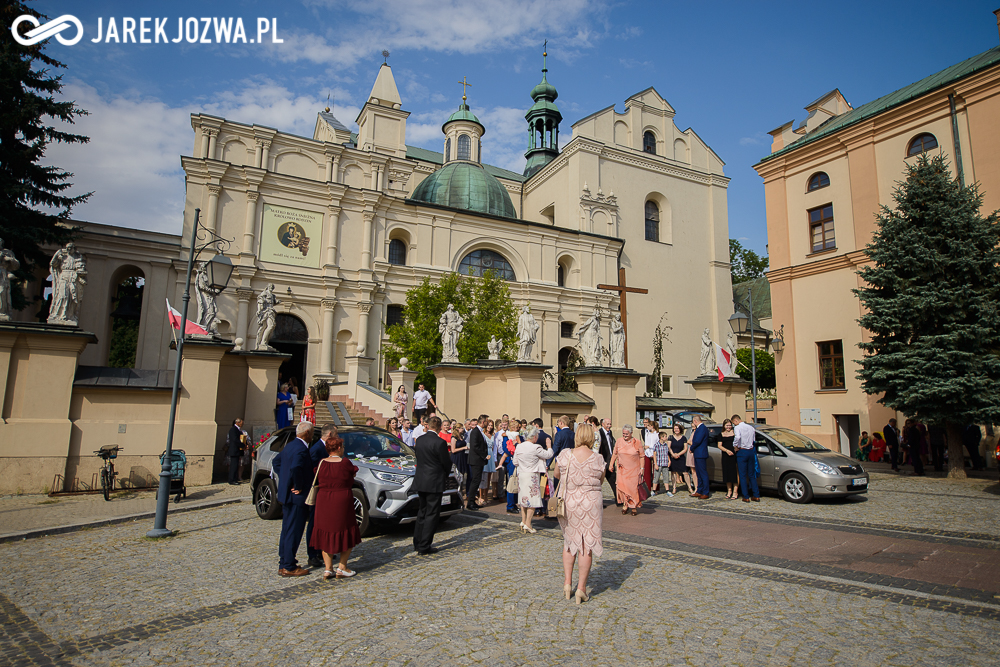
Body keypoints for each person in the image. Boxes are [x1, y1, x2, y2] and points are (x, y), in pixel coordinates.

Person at [554, 423, 606, 604]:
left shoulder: (565, 455)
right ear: (592, 437)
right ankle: (581, 589)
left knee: (570, 542)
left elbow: (557, 474)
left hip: (569, 502)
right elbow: (601, 479)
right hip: (590, 503)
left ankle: (568, 583)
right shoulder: (597, 458)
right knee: (586, 544)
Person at [309, 434, 362, 578]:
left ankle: (328, 568)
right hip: (341, 498)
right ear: (338, 448)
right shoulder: (344, 463)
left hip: (324, 499)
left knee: (325, 531)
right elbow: (351, 477)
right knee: (346, 529)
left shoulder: (322, 463)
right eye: (342, 446)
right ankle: (342, 566)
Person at [274, 421, 314, 576]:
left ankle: (284, 562)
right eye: (311, 433)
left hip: (286, 495)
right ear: (307, 434)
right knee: (294, 531)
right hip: (296, 497)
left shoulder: (290, 445)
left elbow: (277, 462)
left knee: (287, 529)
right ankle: (289, 566)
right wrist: (297, 485)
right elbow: (296, 467)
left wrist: (285, 479)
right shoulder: (300, 448)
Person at [412, 416, 451, 555]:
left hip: (422, 480)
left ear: (428, 426)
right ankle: (424, 545)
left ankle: (417, 542)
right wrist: (445, 473)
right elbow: (446, 462)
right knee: (432, 513)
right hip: (434, 481)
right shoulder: (440, 442)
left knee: (422, 511)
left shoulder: (420, 440)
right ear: (439, 427)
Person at [514, 426, 554, 533]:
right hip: (532, 475)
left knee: (523, 499)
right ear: (535, 437)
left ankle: (523, 521)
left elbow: (515, 462)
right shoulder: (535, 447)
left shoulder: (519, 446)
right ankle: (528, 523)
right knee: (532, 500)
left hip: (522, 474)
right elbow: (549, 455)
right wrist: (549, 446)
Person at [306, 423, 335, 569]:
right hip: (318, 490)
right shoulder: (316, 449)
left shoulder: (328, 448)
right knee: (314, 523)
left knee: (325, 523)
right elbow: (311, 471)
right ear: (329, 434)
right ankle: (312, 554)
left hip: (327, 492)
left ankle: (322, 550)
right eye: (335, 434)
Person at [609, 424, 644, 515]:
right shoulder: (619, 441)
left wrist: (642, 468)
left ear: (631, 433)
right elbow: (615, 454)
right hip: (622, 470)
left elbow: (642, 456)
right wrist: (611, 464)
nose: (624, 435)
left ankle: (634, 506)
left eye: (627, 434)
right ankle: (625, 504)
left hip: (633, 470)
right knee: (623, 488)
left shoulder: (637, 442)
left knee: (632, 489)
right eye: (623, 433)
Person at [732, 414, 759, 502]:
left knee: (742, 475)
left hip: (742, 451)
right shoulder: (751, 427)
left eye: (734, 423)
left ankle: (746, 496)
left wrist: (735, 445)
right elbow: (753, 440)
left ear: (736, 421)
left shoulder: (737, 427)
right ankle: (756, 495)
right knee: (751, 474)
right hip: (750, 451)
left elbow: (738, 437)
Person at [466, 414, 489, 508]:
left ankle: (472, 501)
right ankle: (470, 502)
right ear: (483, 422)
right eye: (487, 421)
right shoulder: (475, 431)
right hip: (476, 460)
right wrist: (484, 455)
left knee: (477, 480)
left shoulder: (480, 431)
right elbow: (475, 447)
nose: (487, 423)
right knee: (475, 480)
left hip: (478, 460)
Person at [667, 423, 693, 496]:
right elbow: (668, 447)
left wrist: (678, 454)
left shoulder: (684, 438)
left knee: (685, 472)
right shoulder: (671, 437)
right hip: (672, 456)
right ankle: (674, 487)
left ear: (680, 429)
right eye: (675, 429)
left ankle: (689, 487)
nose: (676, 430)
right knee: (673, 472)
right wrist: (673, 454)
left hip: (681, 457)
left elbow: (685, 448)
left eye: (677, 428)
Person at [690, 415, 711, 499]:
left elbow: (697, 440)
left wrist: (692, 448)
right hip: (698, 453)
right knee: (698, 473)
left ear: (695, 421)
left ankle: (705, 492)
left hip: (701, 453)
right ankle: (699, 490)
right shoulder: (699, 428)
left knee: (703, 473)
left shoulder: (702, 428)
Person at [598, 418, 618, 503]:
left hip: (610, 461)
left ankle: (618, 500)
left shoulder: (610, 433)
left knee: (614, 480)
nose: (609, 426)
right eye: (607, 424)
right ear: (603, 424)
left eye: (610, 424)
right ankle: (598, 501)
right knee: (598, 483)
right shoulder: (599, 433)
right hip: (602, 461)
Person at [719, 419, 739, 499]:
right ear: (724, 426)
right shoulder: (721, 434)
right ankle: (729, 490)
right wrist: (727, 451)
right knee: (727, 473)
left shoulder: (734, 433)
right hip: (725, 455)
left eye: (730, 425)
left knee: (734, 473)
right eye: (727, 425)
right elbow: (719, 445)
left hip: (734, 455)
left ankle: (735, 491)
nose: (728, 427)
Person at [651, 430, 673, 497]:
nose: (666, 438)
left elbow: (666, 454)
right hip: (659, 463)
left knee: (666, 477)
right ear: (661, 437)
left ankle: (667, 490)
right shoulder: (656, 445)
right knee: (656, 478)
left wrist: (669, 460)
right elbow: (654, 455)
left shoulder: (666, 445)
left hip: (665, 463)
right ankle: (654, 490)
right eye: (665, 436)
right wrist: (655, 464)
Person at [482, 420, 498, 506]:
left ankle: (486, 496)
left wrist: (494, 459)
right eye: (489, 425)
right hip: (485, 454)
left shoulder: (493, 435)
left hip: (490, 455)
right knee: (483, 477)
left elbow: (494, 447)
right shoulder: (482, 433)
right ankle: (482, 496)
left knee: (488, 478)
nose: (490, 427)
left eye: (491, 425)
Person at [226, 418, 245, 485]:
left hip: (237, 451)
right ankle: (232, 480)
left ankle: (235, 478)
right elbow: (235, 439)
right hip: (234, 450)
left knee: (236, 465)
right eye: (241, 422)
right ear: (237, 422)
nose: (242, 424)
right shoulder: (233, 429)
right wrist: (243, 445)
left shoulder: (238, 430)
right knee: (233, 466)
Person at [642, 418, 658, 496]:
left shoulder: (657, 434)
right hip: (647, 452)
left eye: (648, 425)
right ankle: (647, 487)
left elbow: (656, 444)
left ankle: (655, 488)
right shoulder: (647, 433)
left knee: (655, 471)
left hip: (654, 452)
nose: (647, 427)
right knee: (647, 471)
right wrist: (647, 449)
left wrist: (651, 448)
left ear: (652, 426)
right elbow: (646, 443)